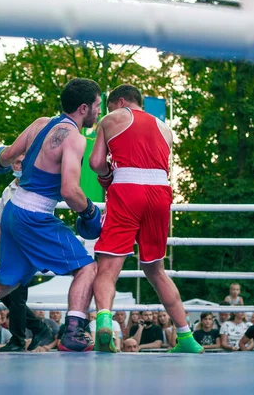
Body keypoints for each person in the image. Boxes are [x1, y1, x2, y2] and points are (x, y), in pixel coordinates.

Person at [0, 78, 103, 352]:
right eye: (96, 106)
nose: (98, 111)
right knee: (87, 267)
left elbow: (5, 157)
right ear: (84, 108)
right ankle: (73, 331)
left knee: (5, 283)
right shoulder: (75, 139)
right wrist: (91, 211)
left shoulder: (39, 123)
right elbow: (70, 191)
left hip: (13, 208)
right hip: (35, 215)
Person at [89, 84, 203, 354]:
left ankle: (104, 321)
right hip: (160, 193)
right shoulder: (166, 129)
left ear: (119, 102)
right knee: (156, 270)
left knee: (107, 268)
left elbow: (96, 163)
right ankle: (186, 338)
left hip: (128, 189)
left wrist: (107, 177)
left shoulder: (112, 119)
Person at [0, 154, 53, 352]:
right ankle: (39, 327)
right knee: (5, 293)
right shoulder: (8, 190)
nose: (19, 166)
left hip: (27, 245)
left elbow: (45, 217)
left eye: (23, 162)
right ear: (11, 166)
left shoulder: (35, 187)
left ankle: (18, 339)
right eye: (16, 162)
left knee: (16, 295)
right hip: (9, 246)